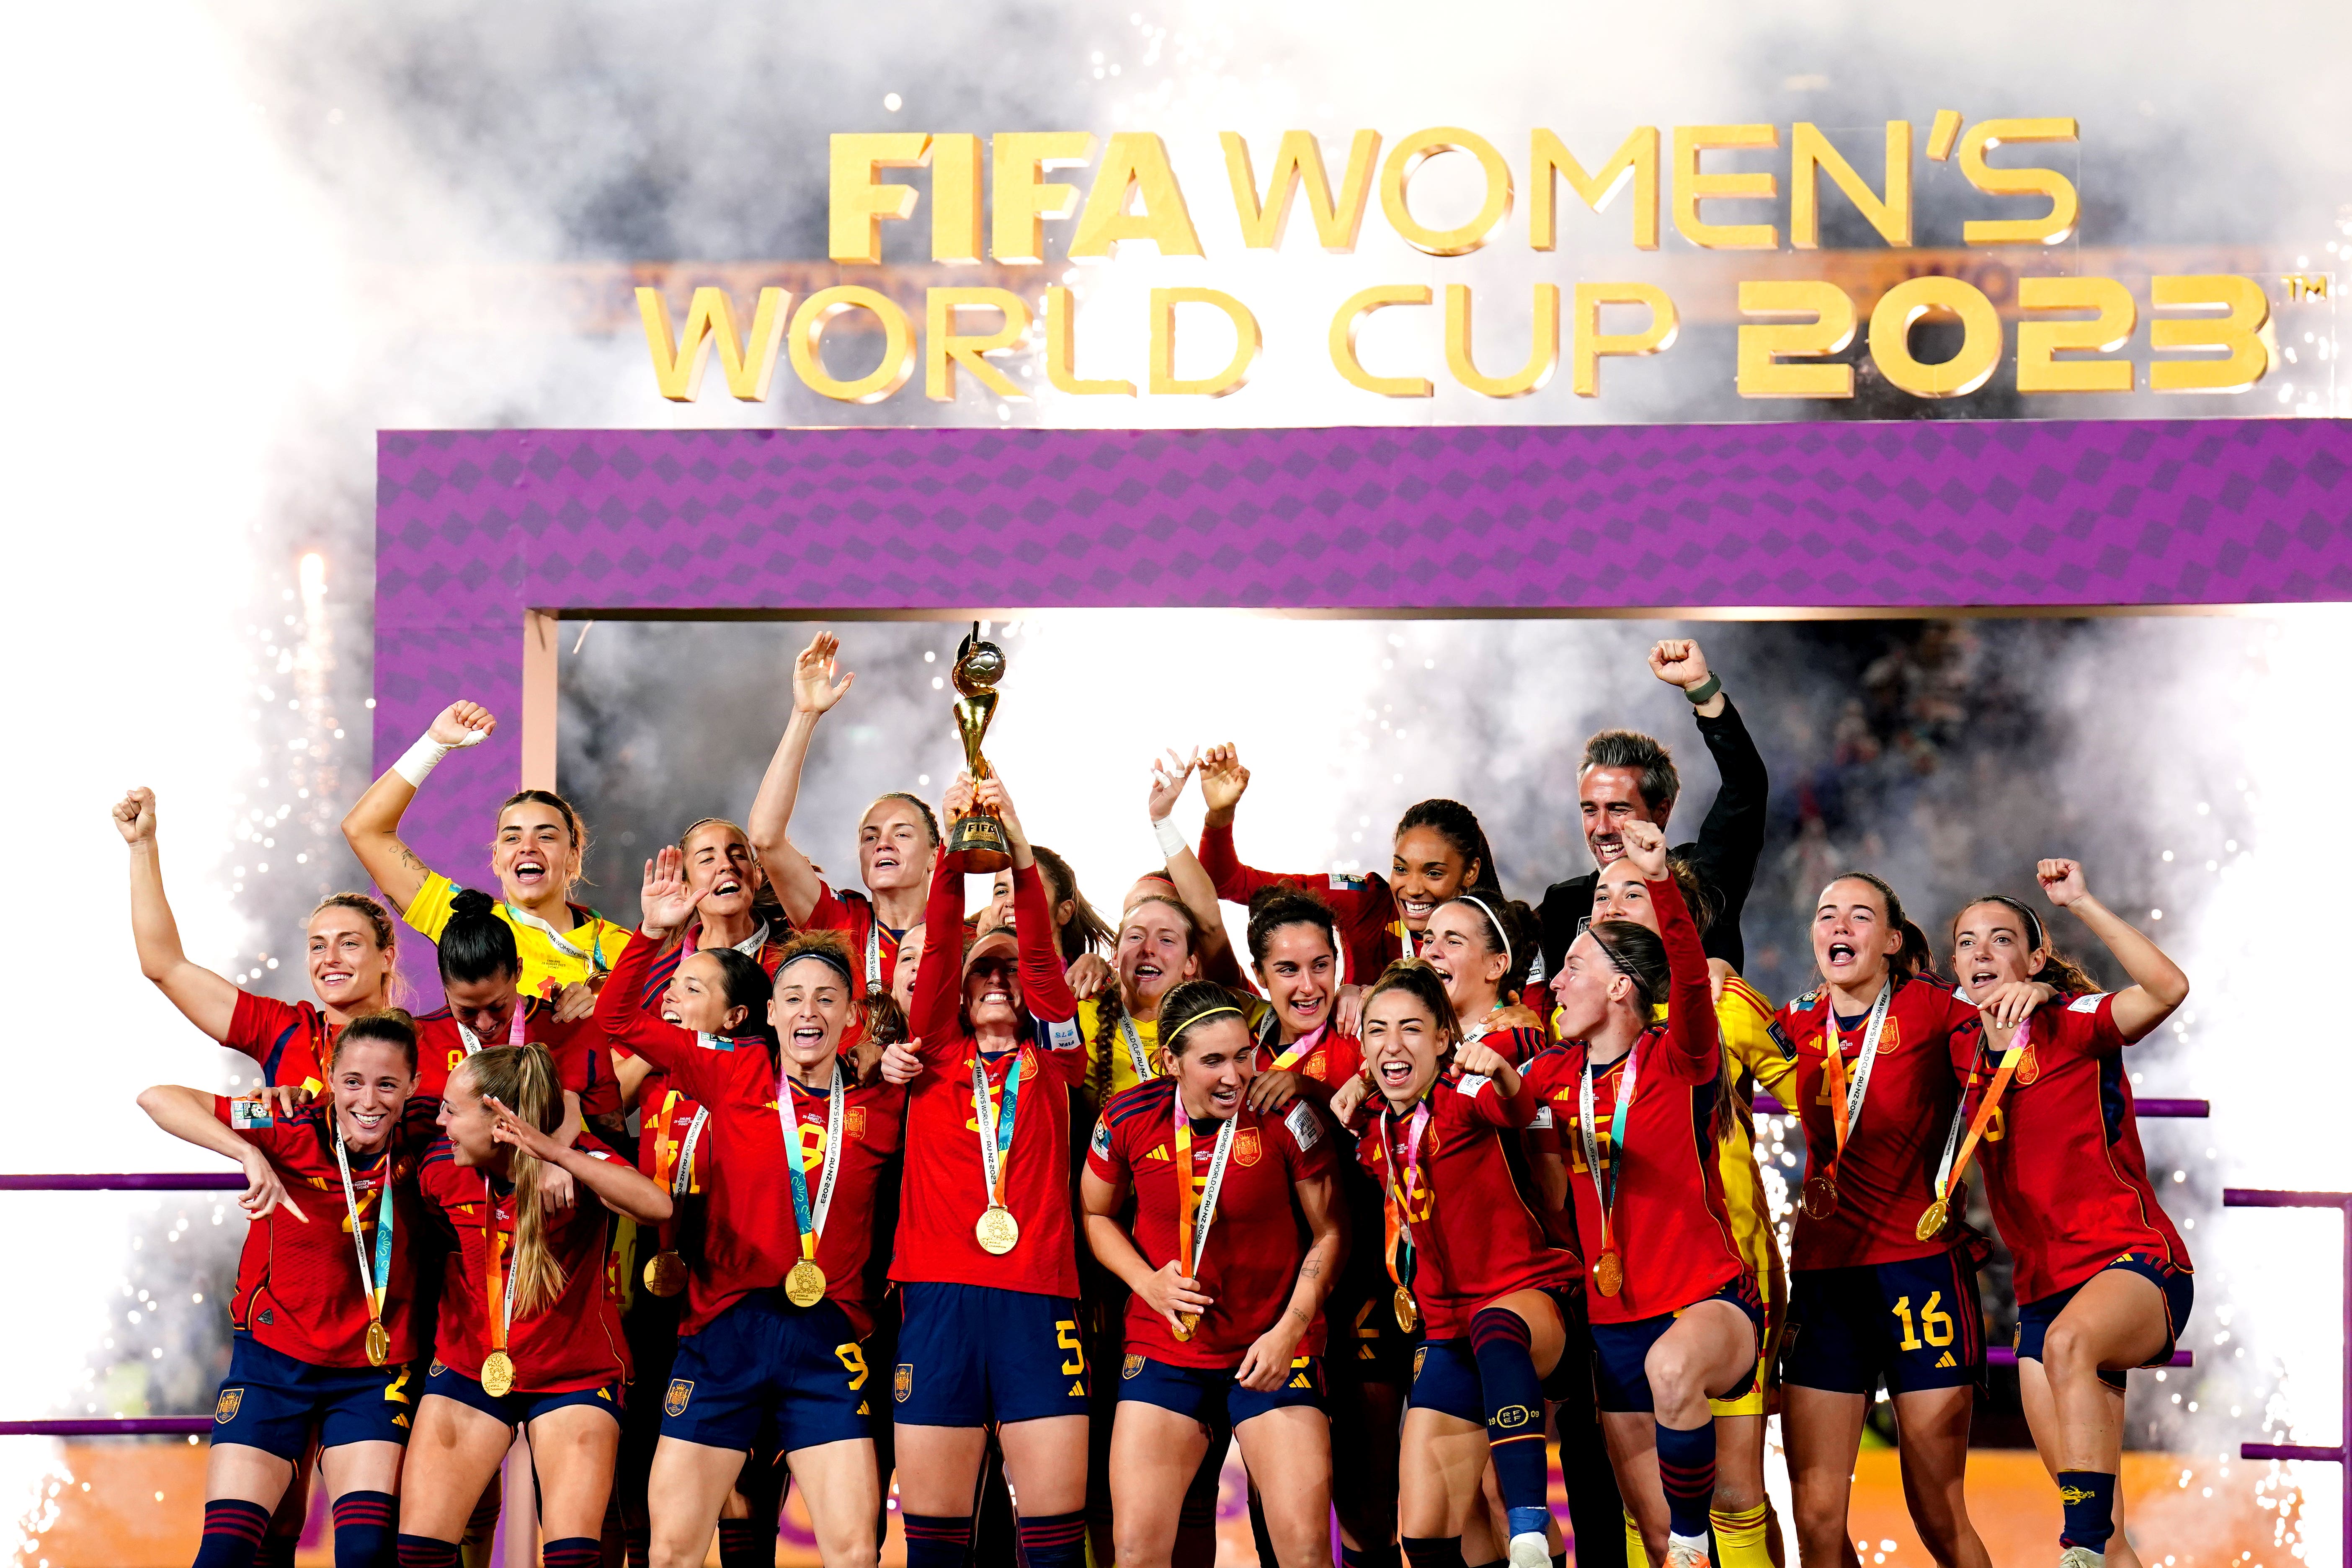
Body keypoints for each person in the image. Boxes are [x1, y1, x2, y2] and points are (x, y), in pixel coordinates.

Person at [593, 851, 905, 1568]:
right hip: (724, 1333)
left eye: (828, 998)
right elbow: (616, 1017)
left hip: (829, 1345)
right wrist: (650, 932)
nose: (808, 1010)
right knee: (671, 1550)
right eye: (793, 995)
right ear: (767, 1012)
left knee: (855, 1551)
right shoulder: (730, 1069)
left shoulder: (883, 1105)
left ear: (853, 1017)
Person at [1776, 873, 2049, 1568]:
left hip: (1918, 1271)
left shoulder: (1933, 1007)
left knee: (1934, 1507)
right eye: (1826, 913)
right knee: (1813, 1513)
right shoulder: (1794, 1020)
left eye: (1860, 915)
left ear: (1892, 941)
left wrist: (2038, 994)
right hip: (1825, 1276)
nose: (1839, 925)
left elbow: (2008, 1031)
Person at [1514, 820, 1760, 1568]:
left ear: (1621, 985)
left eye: (1574, 966)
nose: (1556, 981)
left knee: (1675, 1378)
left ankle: (1696, 1536)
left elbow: (1688, 979)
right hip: (1613, 1320)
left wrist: (1659, 883)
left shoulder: (1677, 1056)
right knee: (1652, 1544)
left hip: (1705, 1301)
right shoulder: (1552, 1075)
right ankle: (1682, 1543)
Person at [1945, 862, 2192, 1568]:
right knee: (2110, 1539)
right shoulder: (1956, 1043)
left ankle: (2072, 1554)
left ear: (2034, 958)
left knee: (2069, 1352)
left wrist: (2081, 901)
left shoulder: (2073, 1022)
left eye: (2000, 939)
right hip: (2042, 1295)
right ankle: (2091, 1550)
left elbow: (2169, 988)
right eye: (1966, 941)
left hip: (2136, 1266)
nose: (1982, 951)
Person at [876, 772, 1092, 1568]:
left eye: (1010, 976)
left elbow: (1038, 951)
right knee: (935, 1545)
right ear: (960, 997)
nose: (999, 980)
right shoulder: (931, 1056)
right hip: (937, 1300)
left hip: (1039, 1300)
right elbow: (937, 947)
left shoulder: (1057, 1063)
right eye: (983, 974)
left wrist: (1013, 834)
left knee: (1054, 1546)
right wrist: (955, 853)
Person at [138, 1012, 433, 1568]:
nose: (368, 1101)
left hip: (374, 1373)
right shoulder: (285, 1118)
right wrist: (247, 1152)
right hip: (272, 1366)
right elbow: (160, 1098)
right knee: (224, 1554)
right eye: (352, 1082)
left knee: (368, 1553)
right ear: (331, 1078)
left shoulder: (430, 1129)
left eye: (387, 1084)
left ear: (413, 1087)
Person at [1082, 979, 1346, 1568]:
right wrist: (1146, 1282)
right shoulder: (1127, 1116)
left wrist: (1288, 1331)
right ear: (1169, 1061)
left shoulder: (1283, 1113)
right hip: (1168, 1350)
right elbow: (1095, 1215)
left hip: (1274, 1345)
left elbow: (1332, 1232)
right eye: (1213, 1061)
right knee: (1136, 1551)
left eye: (1244, 1054)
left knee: (1305, 1550)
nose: (1235, 1075)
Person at [1587, 854, 1795, 1568]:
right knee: (1649, 1506)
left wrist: (1843, 1192)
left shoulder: (1723, 1004)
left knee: (1735, 1495)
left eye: (1631, 891)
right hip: (1622, 1284)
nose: (1611, 901)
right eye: (1600, 892)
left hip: (1724, 1267)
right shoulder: (1569, 1016)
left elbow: (1820, 1092)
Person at [1339, 961, 1576, 1568]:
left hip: (1525, 1302)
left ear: (1444, 1039)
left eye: (1412, 1029)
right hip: (1446, 1331)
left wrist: (1498, 1070)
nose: (1393, 1045)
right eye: (1378, 1031)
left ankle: (1528, 1526)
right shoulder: (1376, 1123)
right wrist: (1348, 1092)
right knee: (1423, 1536)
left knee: (1496, 1331)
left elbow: (1518, 1110)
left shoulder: (1462, 1094)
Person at [397, 1046, 672, 1568]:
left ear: (501, 1119)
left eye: (453, 1111)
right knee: (417, 1553)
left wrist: (561, 1157)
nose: (440, 1121)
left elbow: (656, 1206)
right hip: (469, 1367)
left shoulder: (580, 1158)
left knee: (572, 1560)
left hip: (573, 1375)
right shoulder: (438, 1165)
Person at [1243, 890, 1403, 1568]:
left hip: (1363, 1287)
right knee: (1280, 1503)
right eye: (1287, 969)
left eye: (1321, 964)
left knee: (1370, 1506)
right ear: (1258, 977)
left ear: (1341, 964)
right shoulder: (1239, 1053)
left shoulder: (1365, 1037)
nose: (1307, 984)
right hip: (1275, 1301)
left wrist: (1311, 1093)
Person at [119, 786, 398, 1096]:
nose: (329, 957)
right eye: (318, 945)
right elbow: (164, 966)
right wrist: (142, 847)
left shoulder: (430, 1041)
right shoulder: (282, 1031)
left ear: (386, 958)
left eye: (349, 943)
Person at [342, 701, 629, 998]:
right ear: (496, 860)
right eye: (512, 838)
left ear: (573, 856)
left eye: (546, 837)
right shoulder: (464, 922)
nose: (527, 849)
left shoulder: (622, 949)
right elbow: (364, 830)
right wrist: (434, 743)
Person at [1536, 640, 1769, 977]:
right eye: (1590, 810)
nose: (1602, 828)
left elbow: (1746, 788)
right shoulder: (1564, 903)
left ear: (1662, 812)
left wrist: (1702, 690)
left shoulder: (1703, 880)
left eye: (1618, 809)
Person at [1195, 742, 1503, 986]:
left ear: (1471, 872)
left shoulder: (1502, 934)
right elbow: (1226, 882)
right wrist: (1220, 815)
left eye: (1433, 873)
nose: (1412, 889)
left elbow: (1537, 1015)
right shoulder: (1364, 903)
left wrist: (1525, 1017)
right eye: (1401, 868)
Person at [746, 631, 934, 1000]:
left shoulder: (965, 940)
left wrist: (1082, 963)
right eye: (870, 836)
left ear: (936, 855)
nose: (883, 843)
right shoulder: (840, 920)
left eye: (902, 833)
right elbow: (766, 838)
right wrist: (805, 715)